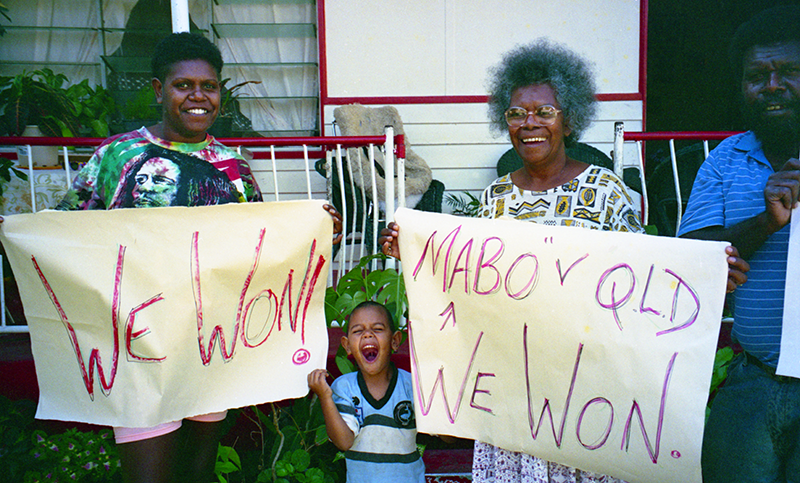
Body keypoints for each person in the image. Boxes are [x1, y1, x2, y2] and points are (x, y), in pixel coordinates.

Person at [54, 32, 343, 483]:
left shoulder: (233, 168)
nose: (197, 96)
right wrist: (19, 235)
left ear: (220, 94)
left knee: (198, 471)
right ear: (157, 90)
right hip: (137, 346)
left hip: (212, 346)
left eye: (208, 86)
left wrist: (321, 232)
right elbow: (65, 231)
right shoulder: (116, 157)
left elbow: (266, 249)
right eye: (183, 85)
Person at [381, 38, 642, 483]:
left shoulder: (605, 189)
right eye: (517, 113)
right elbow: (471, 279)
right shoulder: (496, 197)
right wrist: (413, 248)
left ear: (569, 118)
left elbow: (638, 276)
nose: (529, 124)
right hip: (512, 383)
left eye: (544, 112)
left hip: (584, 383)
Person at [677, 5, 800, 482]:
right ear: (741, 86)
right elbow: (692, 261)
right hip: (753, 381)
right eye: (757, 75)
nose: (772, 85)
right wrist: (766, 221)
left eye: (789, 71)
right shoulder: (725, 160)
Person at [307, 301, 425, 483]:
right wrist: (325, 397)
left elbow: (446, 438)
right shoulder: (345, 388)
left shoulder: (412, 386)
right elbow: (344, 442)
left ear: (395, 341)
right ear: (347, 346)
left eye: (377, 329)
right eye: (357, 331)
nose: (367, 334)